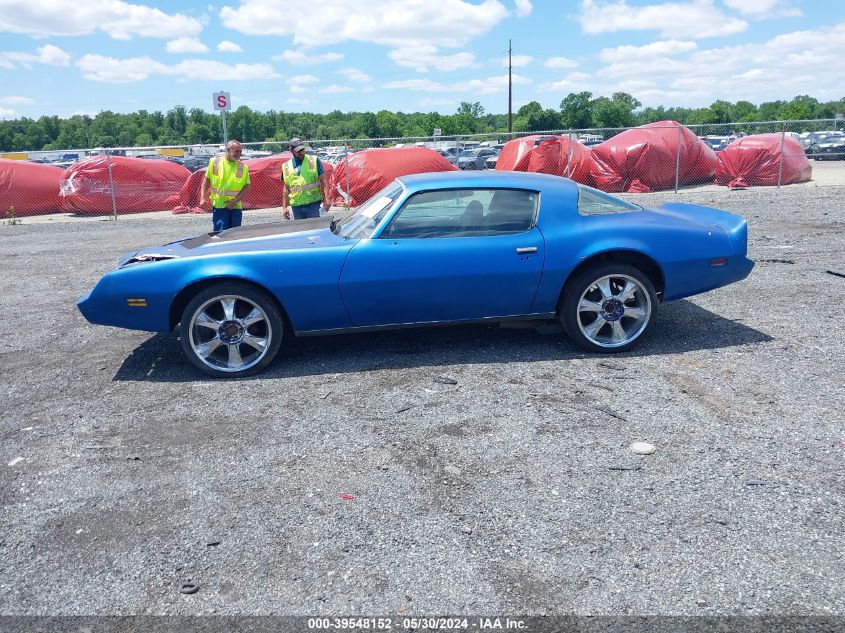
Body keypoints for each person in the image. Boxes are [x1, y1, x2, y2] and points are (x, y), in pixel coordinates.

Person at [200, 140, 251, 231]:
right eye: (236, 151)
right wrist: (202, 197)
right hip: (220, 207)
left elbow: (246, 188)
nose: (239, 154)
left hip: (235, 207)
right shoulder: (215, 162)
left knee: (235, 235)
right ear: (228, 150)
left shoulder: (243, 167)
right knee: (220, 235)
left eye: (240, 151)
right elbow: (207, 180)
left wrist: (233, 202)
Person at [281, 137, 330, 220]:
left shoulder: (313, 160)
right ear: (291, 150)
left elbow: (324, 181)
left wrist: (327, 199)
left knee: (314, 229)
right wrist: (285, 207)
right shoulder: (286, 166)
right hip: (296, 207)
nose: (301, 152)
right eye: (298, 151)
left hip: (313, 204)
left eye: (302, 150)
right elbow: (286, 188)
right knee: (301, 230)